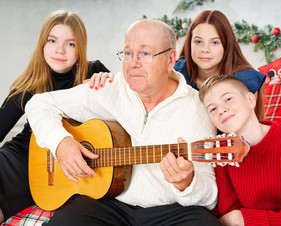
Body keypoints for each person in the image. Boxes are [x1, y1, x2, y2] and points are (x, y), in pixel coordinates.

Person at [25, 19, 220, 225]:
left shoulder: (198, 108)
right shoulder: (110, 88)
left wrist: (187, 183)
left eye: (144, 54)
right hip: (109, 203)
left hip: (170, 212)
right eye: (127, 53)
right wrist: (60, 143)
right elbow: (38, 104)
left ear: (170, 59)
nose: (133, 63)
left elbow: (210, 196)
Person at [0, 9, 109, 223]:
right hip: (19, 156)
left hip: (48, 169)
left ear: (80, 48)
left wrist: (109, 86)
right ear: (42, 43)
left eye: (70, 43)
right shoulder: (28, 84)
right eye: (52, 41)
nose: (59, 50)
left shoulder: (94, 72)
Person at [198, 74, 281, 226]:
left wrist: (243, 218)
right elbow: (228, 214)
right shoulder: (222, 153)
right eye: (213, 109)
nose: (221, 110)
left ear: (250, 100)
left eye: (228, 99)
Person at [174, 10, 266, 121]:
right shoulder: (177, 73)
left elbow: (251, 130)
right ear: (189, 44)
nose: (205, 49)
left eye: (214, 42)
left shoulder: (245, 79)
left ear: (226, 45)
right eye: (198, 42)